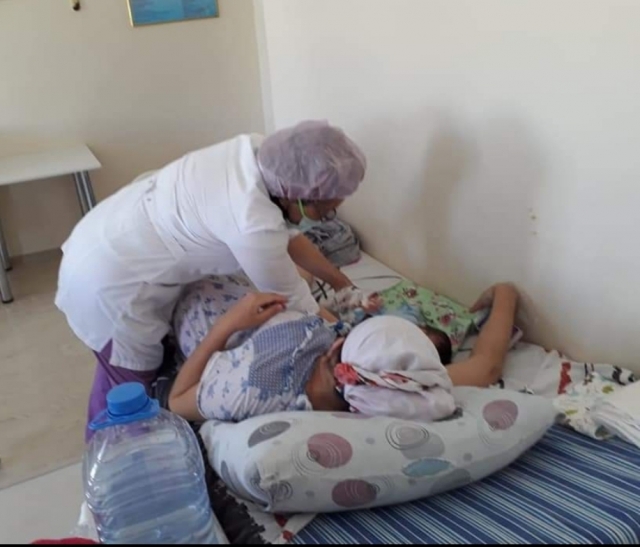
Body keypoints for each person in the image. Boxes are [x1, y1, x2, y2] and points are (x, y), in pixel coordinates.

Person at [54, 121, 366, 439]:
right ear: (297, 197)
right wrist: (355, 337)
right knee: (127, 393)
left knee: (137, 376)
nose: (326, 220)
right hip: (108, 281)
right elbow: (299, 302)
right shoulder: (252, 222)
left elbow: (287, 234)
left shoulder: (264, 156)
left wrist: (343, 283)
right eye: (325, 214)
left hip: (110, 231)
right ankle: (112, 454)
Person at [167, 277, 519, 423]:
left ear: (338, 346)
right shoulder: (404, 386)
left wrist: (227, 324)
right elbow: (486, 367)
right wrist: (504, 294)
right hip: (253, 297)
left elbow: (177, 400)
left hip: (202, 308)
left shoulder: (250, 388)